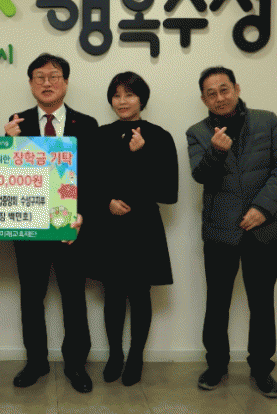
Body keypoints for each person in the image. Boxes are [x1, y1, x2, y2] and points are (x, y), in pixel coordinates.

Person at [186, 66, 277, 398]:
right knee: (217, 302)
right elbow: (201, 176)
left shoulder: (267, 121)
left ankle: (262, 370)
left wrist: (263, 207)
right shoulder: (197, 132)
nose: (219, 98)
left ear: (236, 88)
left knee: (262, 303)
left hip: (264, 230)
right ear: (203, 99)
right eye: (211, 93)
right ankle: (216, 366)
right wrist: (216, 151)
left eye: (224, 89)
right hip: (220, 232)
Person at [5, 53, 98, 393]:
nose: (47, 83)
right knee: (31, 298)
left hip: (70, 228)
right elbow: (7, 179)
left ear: (65, 82)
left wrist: (82, 214)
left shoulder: (86, 124)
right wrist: (8, 145)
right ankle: (36, 362)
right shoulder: (16, 123)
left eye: (54, 76)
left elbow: (94, 177)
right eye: (40, 77)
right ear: (31, 84)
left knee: (73, 297)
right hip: (29, 227)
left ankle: (76, 364)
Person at [96, 72, 178, 386]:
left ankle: (135, 357)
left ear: (141, 99)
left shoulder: (160, 136)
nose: (122, 101)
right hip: (110, 227)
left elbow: (168, 191)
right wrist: (107, 201)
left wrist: (142, 155)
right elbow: (89, 181)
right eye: (116, 95)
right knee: (113, 294)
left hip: (143, 227)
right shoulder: (101, 135)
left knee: (141, 295)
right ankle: (115, 355)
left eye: (129, 95)